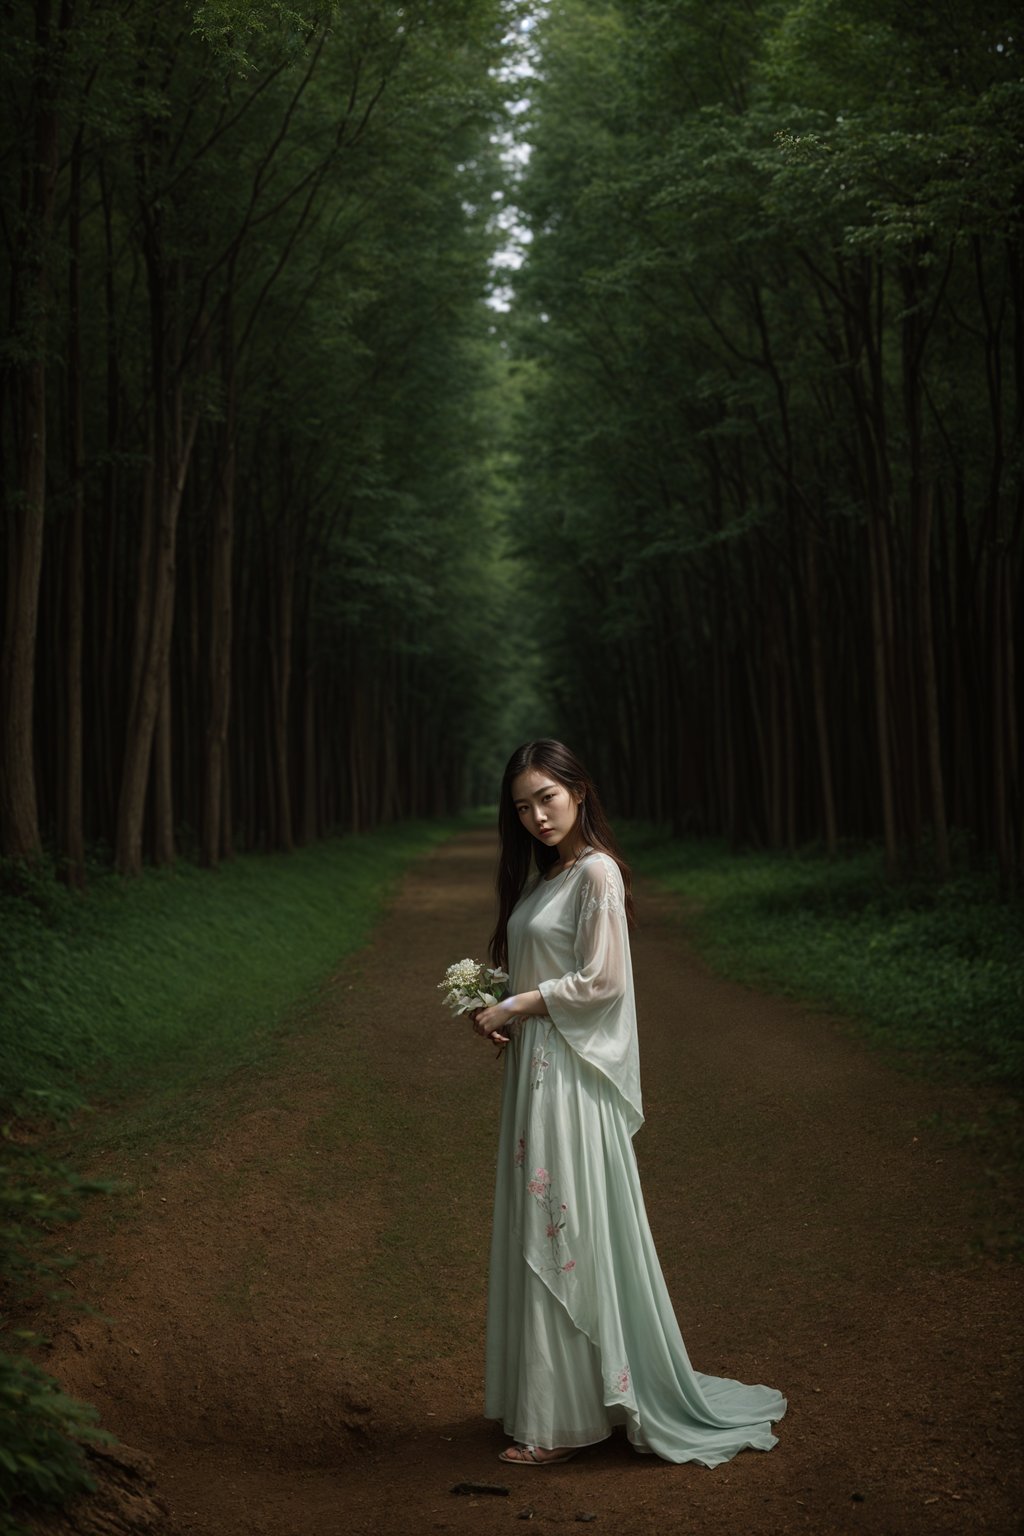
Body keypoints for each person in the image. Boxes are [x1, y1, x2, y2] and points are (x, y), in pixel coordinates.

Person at [471, 739, 787, 1468]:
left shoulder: (598, 874)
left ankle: (561, 1420)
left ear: (579, 792)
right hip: (537, 1072)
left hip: (572, 1078)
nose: (537, 816)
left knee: (565, 1223)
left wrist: (521, 1002)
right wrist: (500, 1010)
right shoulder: (547, 877)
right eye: (522, 806)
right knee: (543, 1219)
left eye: (548, 797)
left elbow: (603, 982)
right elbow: (543, 969)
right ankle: (555, 1399)